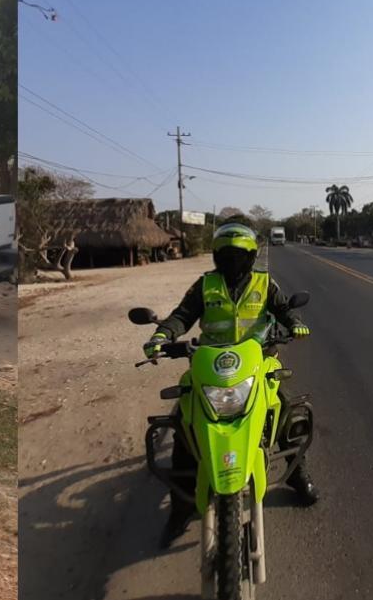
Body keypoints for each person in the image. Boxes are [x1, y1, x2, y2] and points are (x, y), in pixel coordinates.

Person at [145, 222, 318, 549]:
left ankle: (298, 475)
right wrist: (162, 335)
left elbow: (283, 310)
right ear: (216, 256)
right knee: (185, 423)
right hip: (210, 364)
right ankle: (181, 507)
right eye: (226, 254)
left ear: (251, 256)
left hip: (258, 361)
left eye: (239, 255)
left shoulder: (265, 284)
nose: (233, 261)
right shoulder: (205, 285)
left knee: (286, 410)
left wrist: (295, 324)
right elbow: (182, 315)